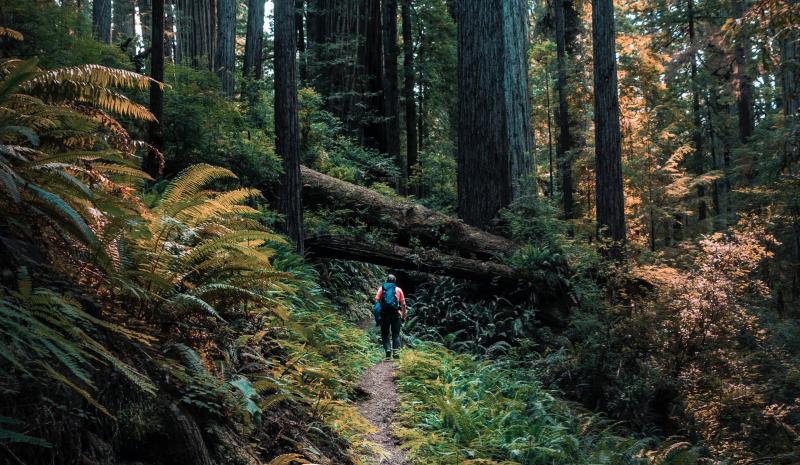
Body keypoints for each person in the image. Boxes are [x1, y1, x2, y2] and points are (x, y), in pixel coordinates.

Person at [374, 274, 407, 359]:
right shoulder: (399, 289)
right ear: (395, 281)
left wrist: (378, 313)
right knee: (396, 334)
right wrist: (403, 316)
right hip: (396, 314)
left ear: (387, 280)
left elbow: (376, 301)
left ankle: (388, 350)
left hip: (384, 315)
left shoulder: (382, 288)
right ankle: (396, 354)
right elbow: (403, 304)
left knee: (385, 334)